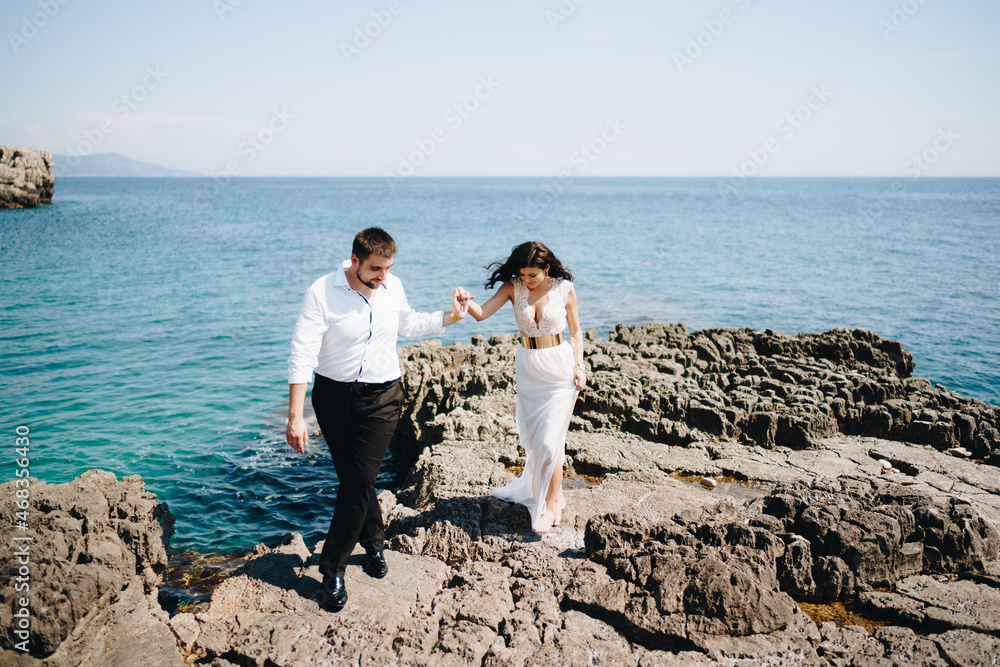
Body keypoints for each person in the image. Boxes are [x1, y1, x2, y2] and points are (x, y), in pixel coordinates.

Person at [285, 227, 468, 612]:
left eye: (387, 268)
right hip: (333, 399)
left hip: (384, 396)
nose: (383, 276)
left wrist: (453, 316)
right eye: (375, 269)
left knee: (359, 480)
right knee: (355, 480)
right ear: (354, 261)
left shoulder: (392, 286)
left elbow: (409, 324)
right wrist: (295, 415)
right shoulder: (322, 292)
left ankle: (331, 568)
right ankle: (374, 544)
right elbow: (302, 352)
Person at [461, 241, 586, 534]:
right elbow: (481, 313)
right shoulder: (512, 287)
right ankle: (556, 495)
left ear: (546, 268)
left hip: (560, 365)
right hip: (529, 366)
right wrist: (463, 299)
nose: (526, 281)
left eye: (532, 275)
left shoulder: (564, 289)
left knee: (550, 440)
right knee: (536, 438)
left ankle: (550, 505)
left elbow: (577, 332)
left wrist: (580, 366)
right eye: (522, 275)